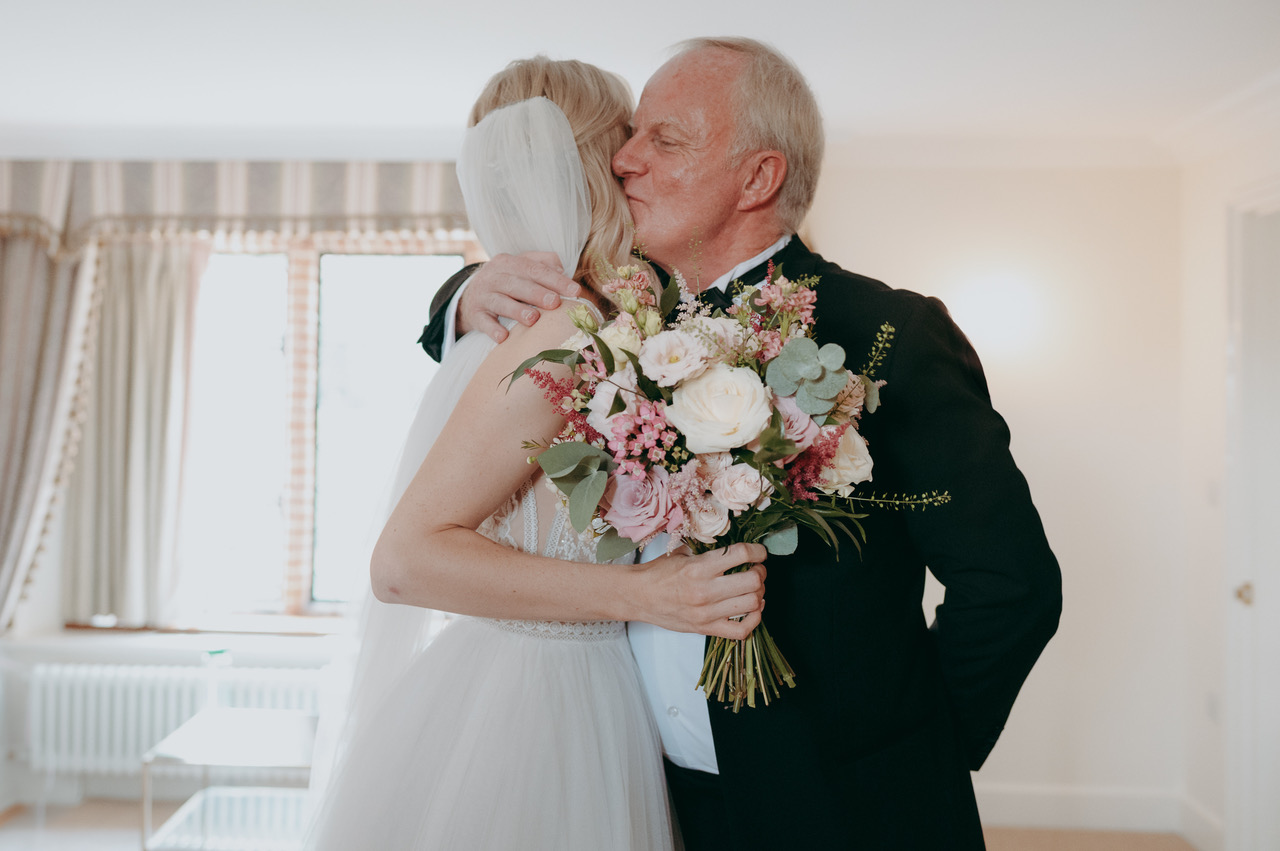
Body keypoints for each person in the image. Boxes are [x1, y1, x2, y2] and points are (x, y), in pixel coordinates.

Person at [420, 38, 1062, 850]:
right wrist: (461, 293)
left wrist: (913, 759)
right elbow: (500, 358)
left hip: (844, 811)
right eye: (632, 134)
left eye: (665, 139)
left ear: (758, 178)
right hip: (651, 798)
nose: (622, 159)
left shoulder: (889, 335)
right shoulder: (622, 318)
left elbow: (1012, 586)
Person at [303, 57, 769, 851]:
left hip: (596, 692)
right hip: (535, 705)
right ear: (595, 162)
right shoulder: (555, 328)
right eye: (627, 140)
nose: (637, 162)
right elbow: (403, 565)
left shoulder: (608, 317)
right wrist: (646, 595)